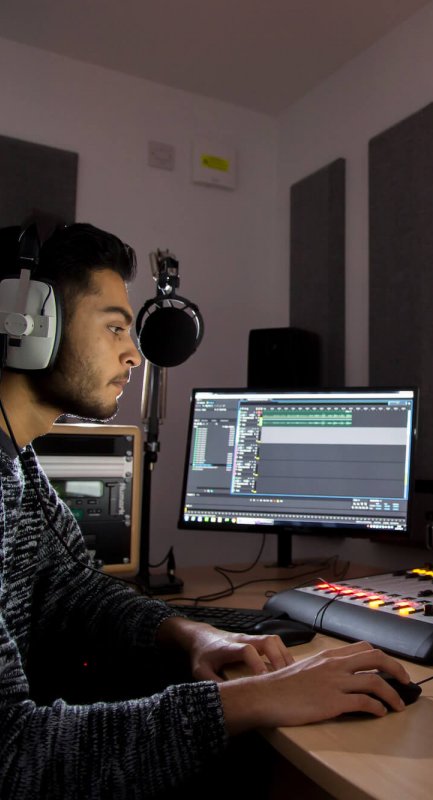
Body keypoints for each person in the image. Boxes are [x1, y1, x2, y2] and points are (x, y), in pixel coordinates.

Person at [0, 222, 412, 799]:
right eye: (115, 327)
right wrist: (259, 697)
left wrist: (192, 635)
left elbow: (74, 594)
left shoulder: (18, 467)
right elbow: (15, 761)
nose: (133, 354)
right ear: (28, 323)